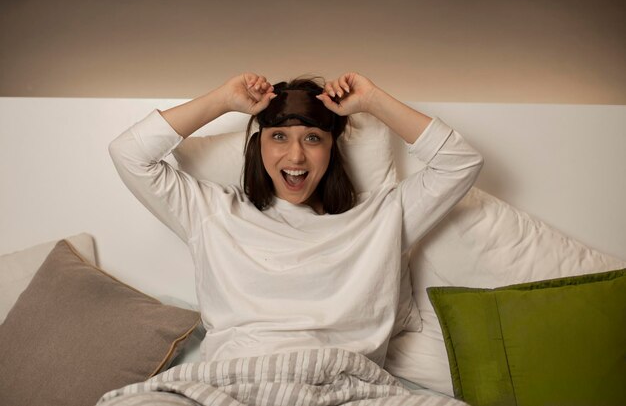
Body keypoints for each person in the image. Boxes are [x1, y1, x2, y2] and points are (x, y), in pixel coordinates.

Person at [109, 72, 483, 366]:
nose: (295, 156)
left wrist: (372, 101)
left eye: (313, 139)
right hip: (236, 379)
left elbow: (461, 163)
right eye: (279, 137)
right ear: (259, 146)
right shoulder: (212, 210)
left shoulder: (381, 217)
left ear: (332, 150)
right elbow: (128, 154)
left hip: (345, 383)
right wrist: (222, 100)